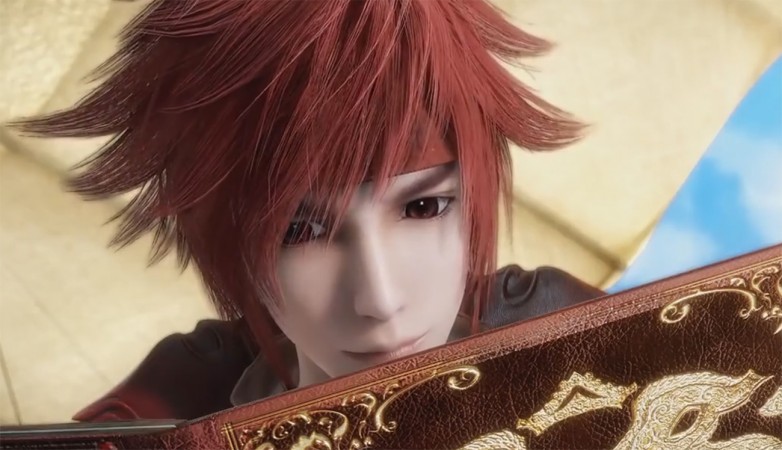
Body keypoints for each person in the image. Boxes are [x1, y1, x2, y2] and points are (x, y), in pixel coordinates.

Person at [12, 0, 603, 421]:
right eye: (297, 231)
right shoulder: (178, 406)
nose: (379, 300)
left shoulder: (575, 339)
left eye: (424, 206)